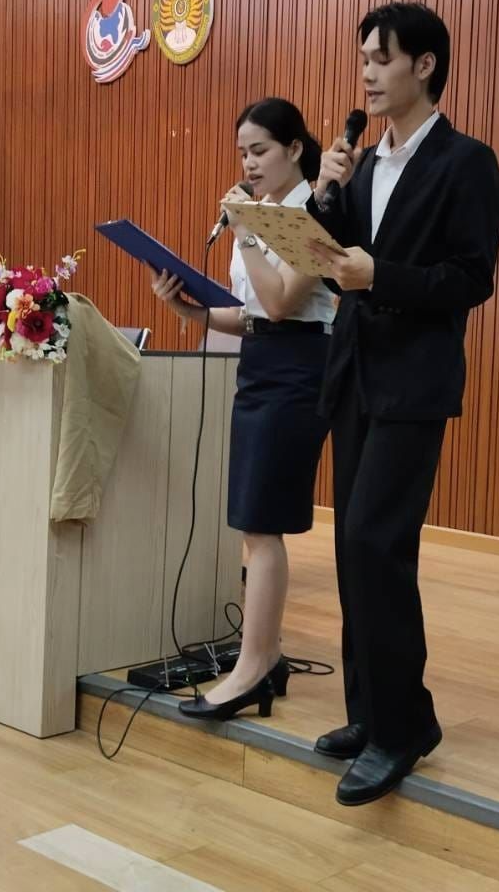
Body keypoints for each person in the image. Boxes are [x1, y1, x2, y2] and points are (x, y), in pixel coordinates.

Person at [303, 2, 499, 806]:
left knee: (376, 543)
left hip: (414, 381)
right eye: (362, 60)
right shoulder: (362, 165)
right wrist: (324, 196)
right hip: (355, 374)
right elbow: (332, 262)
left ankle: (404, 727)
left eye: (381, 59)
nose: (367, 74)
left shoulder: (466, 162)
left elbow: (472, 278)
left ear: (425, 65)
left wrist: (379, 276)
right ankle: (369, 712)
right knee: (353, 551)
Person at [148, 97, 335, 721]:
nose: (249, 164)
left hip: (299, 368)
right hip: (260, 363)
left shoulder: (315, 212)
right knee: (253, 520)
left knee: (264, 521)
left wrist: (246, 229)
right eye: (242, 154)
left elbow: (282, 304)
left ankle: (254, 666)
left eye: (260, 151)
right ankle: (264, 657)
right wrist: (188, 308)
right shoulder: (259, 216)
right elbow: (251, 315)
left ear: (294, 149)